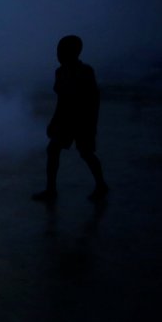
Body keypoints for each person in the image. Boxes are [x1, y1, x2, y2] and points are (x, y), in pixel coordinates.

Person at [32, 35, 108, 202]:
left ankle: (101, 185)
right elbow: (62, 101)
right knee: (54, 151)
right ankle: (51, 190)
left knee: (86, 153)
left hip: (82, 120)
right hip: (66, 120)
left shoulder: (85, 72)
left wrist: (91, 124)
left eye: (61, 51)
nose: (58, 54)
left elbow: (93, 100)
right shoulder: (60, 72)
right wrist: (54, 121)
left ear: (73, 53)